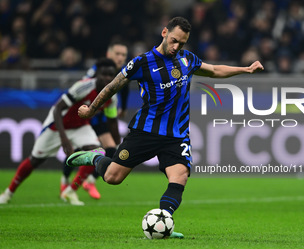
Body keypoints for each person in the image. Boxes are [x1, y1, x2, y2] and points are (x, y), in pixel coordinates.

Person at [66, 17, 264, 236]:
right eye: (174, 40)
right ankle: (96, 157)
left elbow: (215, 70)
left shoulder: (187, 59)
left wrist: (245, 70)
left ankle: (163, 221)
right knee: (113, 178)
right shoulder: (142, 62)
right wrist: (92, 109)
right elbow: (113, 86)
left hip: (177, 135)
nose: (176, 47)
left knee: (180, 177)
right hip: (146, 131)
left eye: (182, 43)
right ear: (164, 33)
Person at [0, 58, 117, 206]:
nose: (107, 78)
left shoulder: (112, 95)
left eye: (110, 75)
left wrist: (117, 142)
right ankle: (8, 193)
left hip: (80, 127)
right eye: (104, 74)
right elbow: (58, 109)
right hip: (57, 125)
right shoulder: (83, 87)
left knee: (97, 152)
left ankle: (70, 191)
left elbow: (111, 119)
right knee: (35, 160)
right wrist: (64, 139)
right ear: (96, 74)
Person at [61, 42, 128, 199]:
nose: (120, 58)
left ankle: (87, 182)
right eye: (117, 54)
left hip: (102, 117)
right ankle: (65, 180)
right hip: (86, 117)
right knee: (80, 151)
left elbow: (124, 89)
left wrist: (123, 108)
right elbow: (83, 90)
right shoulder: (97, 71)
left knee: (111, 150)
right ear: (108, 54)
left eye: (123, 55)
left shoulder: (126, 71)